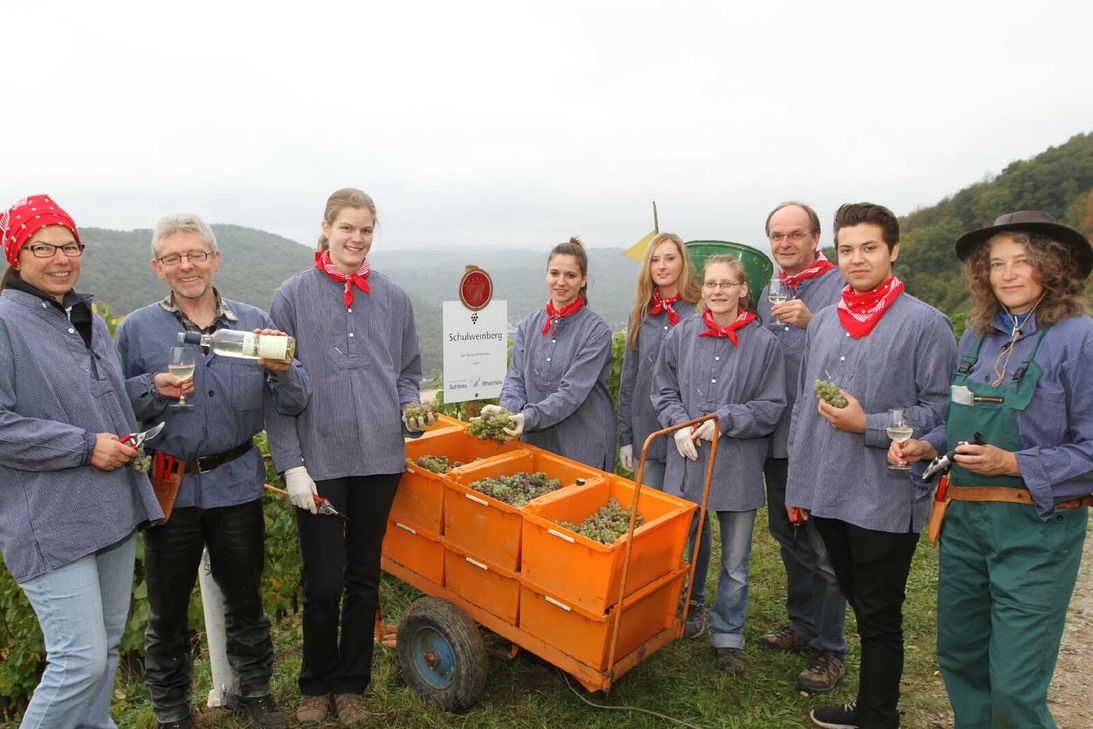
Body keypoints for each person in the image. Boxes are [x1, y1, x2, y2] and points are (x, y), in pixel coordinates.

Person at [890, 211, 1092, 728]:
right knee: (960, 659)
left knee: (1014, 686)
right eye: (997, 263)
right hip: (965, 528)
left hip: (1036, 533)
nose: (1009, 274)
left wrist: (1015, 463)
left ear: (1054, 266)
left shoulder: (1080, 340)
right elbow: (958, 422)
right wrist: (926, 445)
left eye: (1023, 261)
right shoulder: (976, 337)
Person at [116, 213, 310, 729]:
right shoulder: (138, 330)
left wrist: (284, 369)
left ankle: (256, 693)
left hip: (236, 479)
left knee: (245, 597)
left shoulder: (253, 322)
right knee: (166, 609)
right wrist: (150, 389)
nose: (187, 266)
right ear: (158, 267)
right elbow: (114, 406)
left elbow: (297, 396)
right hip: (169, 483)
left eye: (196, 254)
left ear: (215, 259)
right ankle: (172, 711)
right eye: (174, 258)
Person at [786, 203, 956, 729]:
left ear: (893, 250)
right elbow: (803, 408)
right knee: (859, 602)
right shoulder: (827, 323)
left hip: (883, 493)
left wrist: (871, 424)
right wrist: (798, 483)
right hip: (827, 490)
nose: (856, 259)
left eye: (869, 248)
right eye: (847, 249)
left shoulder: (926, 324)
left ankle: (879, 715)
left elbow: (942, 410)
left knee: (880, 615)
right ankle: (872, 704)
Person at [266, 188, 431, 724]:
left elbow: (408, 371)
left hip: (381, 458)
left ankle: (352, 683)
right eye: (347, 229)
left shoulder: (395, 297)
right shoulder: (292, 296)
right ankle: (316, 681)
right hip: (319, 460)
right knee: (323, 580)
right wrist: (290, 462)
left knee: (364, 575)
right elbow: (275, 388)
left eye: (366, 230)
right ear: (326, 228)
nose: (356, 239)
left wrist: (409, 407)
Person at [0, 194, 163, 727]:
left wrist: (148, 389)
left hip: (111, 511)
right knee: (78, 661)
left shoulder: (83, 315)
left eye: (69, 245)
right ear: (16, 255)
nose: (59, 258)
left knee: (107, 652)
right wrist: (83, 445)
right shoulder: (5, 322)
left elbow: (98, 400)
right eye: (42, 246)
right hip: (51, 518)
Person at [652, 254, 786, 674]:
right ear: (702, 287)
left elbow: (771, 405)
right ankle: (685, 612)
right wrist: (676, 424)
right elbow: (663, 387)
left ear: (744, 289)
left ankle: (728, 635)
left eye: (727, 284)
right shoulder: (682, 333)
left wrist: (726, 421)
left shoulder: (764, 344)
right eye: (711, 283)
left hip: (738, 466)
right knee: (682, 548)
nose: (718, 291)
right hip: (687, 462)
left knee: (735, 561)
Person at [754, 202, 849, 693]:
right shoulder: (771, 286)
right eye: (776, 235)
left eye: (795, 234)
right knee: (786, 535)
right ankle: (802, 624)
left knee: (822, 545)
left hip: (819, 435)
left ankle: (831, 648)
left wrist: (815, 322)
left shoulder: (838, 286)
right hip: (776, 435)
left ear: (816, 239)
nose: (785, 243)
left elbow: (858, 350)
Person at [486, 237, 615, 469]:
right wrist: (506, 411)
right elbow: (516, 378)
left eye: (570, 275)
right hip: (536, 443)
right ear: (546, 275)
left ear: (584, 280)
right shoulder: (528, 326)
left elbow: (571, 393)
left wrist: (526, 418)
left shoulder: (596, 332)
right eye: (554, 273)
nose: (561, 282)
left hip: (582, 446)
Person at [617, 232, 700, 486]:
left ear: (683, 262)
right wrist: (626, 437)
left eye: (669, 258)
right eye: (655, 260)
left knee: (690, 510)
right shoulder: (640, 314)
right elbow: (630, 378)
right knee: (650, 508)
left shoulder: (700, 309)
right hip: (647, 429)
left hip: (687, 427)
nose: (662, 266)